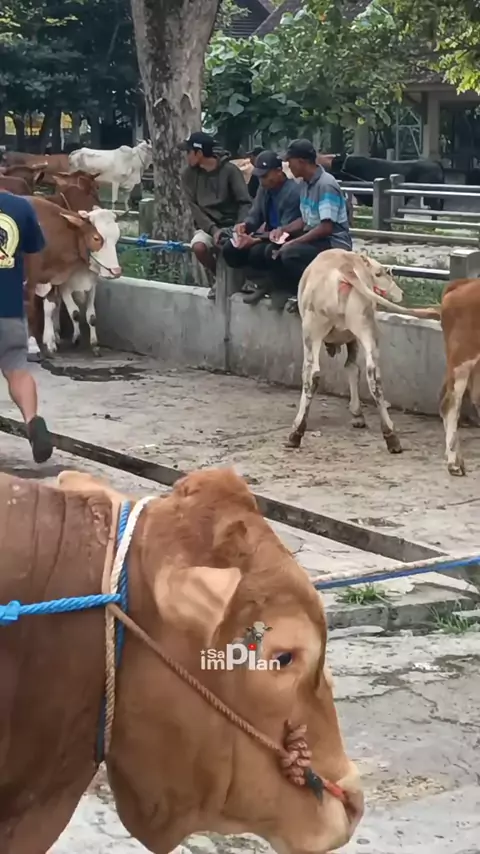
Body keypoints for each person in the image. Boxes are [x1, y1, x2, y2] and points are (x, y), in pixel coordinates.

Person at [0, 191, 53, 463]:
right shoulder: (20, 207)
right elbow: (35, 256)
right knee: (17, 370)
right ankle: (32, 420)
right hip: (9, 306)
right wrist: (30, 289)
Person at [269, 138, 352, 307]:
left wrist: (293, 242)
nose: (288, 166)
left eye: (290, 161)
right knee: (272, 249)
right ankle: (292, 293)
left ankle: (313, 295)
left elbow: (326, 227)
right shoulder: (305, 184)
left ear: (301, 162)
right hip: (317, 238)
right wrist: (283, 230)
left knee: (291, 253)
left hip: (333, 243)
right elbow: (306, 219)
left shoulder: (326, 185)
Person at [222, 150, 301, 305]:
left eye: (265, 176)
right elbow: (255, 215)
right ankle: (257, 281)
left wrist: (255, 240)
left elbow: (286, 230)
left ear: (279, 171)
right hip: (267, 236)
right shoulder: (263, 189)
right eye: (259, 176)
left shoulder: (293, 192)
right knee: (230, 248)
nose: (262, 180)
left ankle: (278, 285)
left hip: (285, 237)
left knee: (261, 251)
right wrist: (244, 226)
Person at [180, 132, 252, 300]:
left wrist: (240, 224)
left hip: (233, 223)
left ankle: (248, 280)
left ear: (199, 153)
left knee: (236, 247)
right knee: (199, 247)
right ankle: (218, 278)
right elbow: (194, 208)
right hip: (208, 226)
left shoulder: (230, 171)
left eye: (189, 152)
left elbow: (244, 201)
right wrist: (213, 230)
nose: (187, 156)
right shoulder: (188, 175)